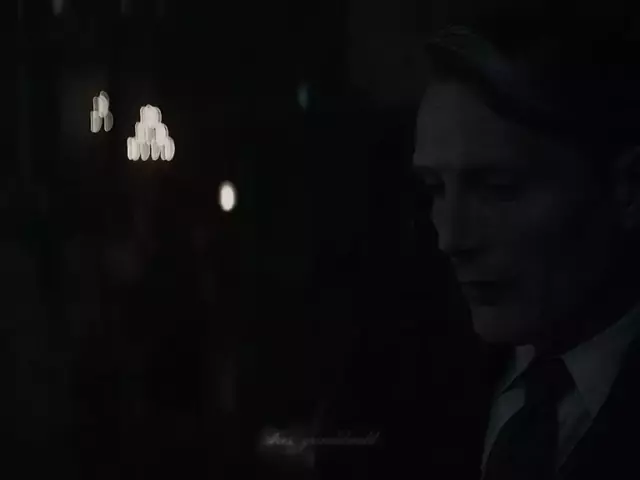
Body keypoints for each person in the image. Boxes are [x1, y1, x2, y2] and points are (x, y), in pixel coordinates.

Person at [413, 19, 640, 480]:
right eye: (435, 188)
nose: (451, 238)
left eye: (499, 188)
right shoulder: (408, 372)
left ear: (628, 189)